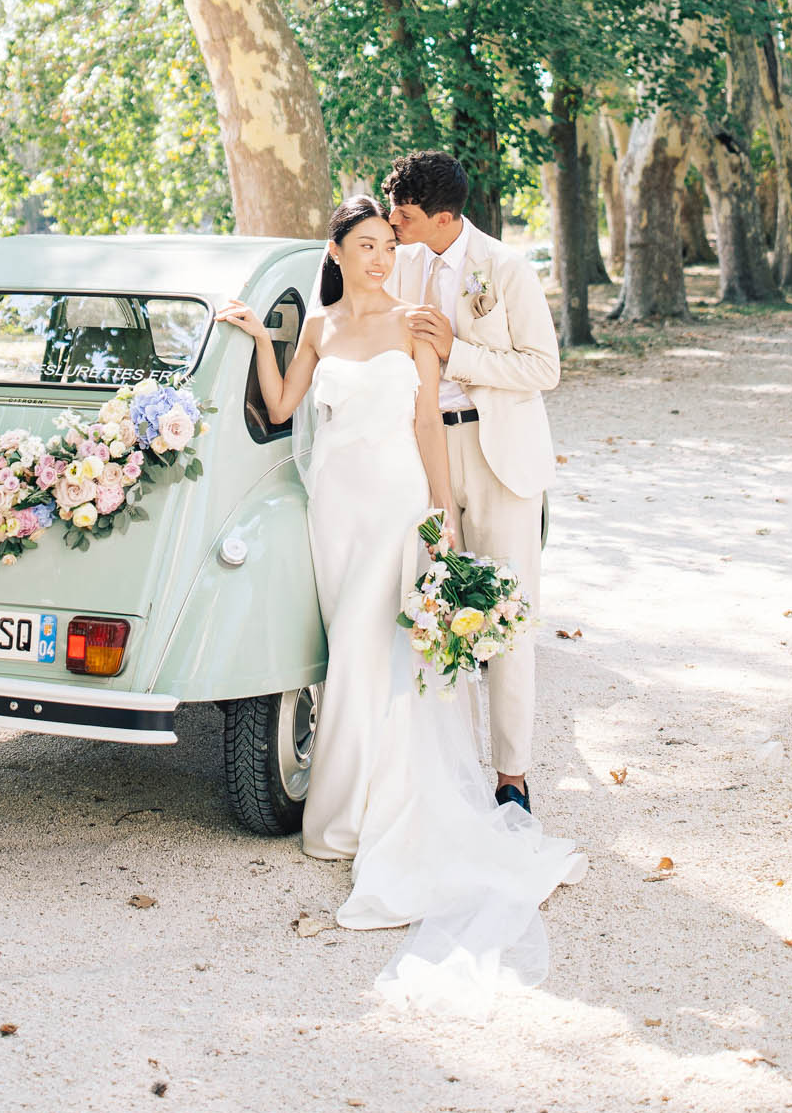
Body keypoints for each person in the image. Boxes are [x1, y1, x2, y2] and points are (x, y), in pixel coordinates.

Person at [218, 193, 584, 1013]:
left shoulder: (417, 323)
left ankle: (361, 813)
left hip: (394, 500)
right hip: (332, 506)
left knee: (369, 646)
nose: (382, 257)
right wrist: (252, 340)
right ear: (338, 252)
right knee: (340, 646)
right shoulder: (319, 327)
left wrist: (443, 515)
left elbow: (427, 422)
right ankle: (346, 797)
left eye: (389, 243)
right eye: (368, 245)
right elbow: (281, 410)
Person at [383, 149, 560, 815]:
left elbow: (543, 369)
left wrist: (458, 350)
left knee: (507, 615)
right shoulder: (396, 263)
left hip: (499, 459)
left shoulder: (505, 269)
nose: (394, 228)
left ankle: (512, 776)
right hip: (421, 453)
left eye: (403, 217)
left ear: (443, 217)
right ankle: (451, 770)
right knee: (435, 609)